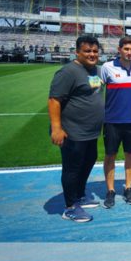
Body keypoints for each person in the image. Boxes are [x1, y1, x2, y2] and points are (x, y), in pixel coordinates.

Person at [48, 36, 104, 222]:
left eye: (95, 51)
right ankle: (70, 206)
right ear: (77, 52)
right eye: (87, 51)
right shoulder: (68, 72)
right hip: (73, 131)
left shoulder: (95, 70)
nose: (92, 54)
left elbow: (94, 93)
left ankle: (80, 195)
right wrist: (57, 128)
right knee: (72, 169)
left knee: (88, 162)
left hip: (90, 131)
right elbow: (54, 100)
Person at [100, 36, 131, 208]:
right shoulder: (107, 67)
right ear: (119, 49)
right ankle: (110, 191)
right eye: (126, 49)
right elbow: (96, 90)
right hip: (112, 121)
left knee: (130, 155)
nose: (130, 52)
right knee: (110, 155)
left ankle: (128, 188)